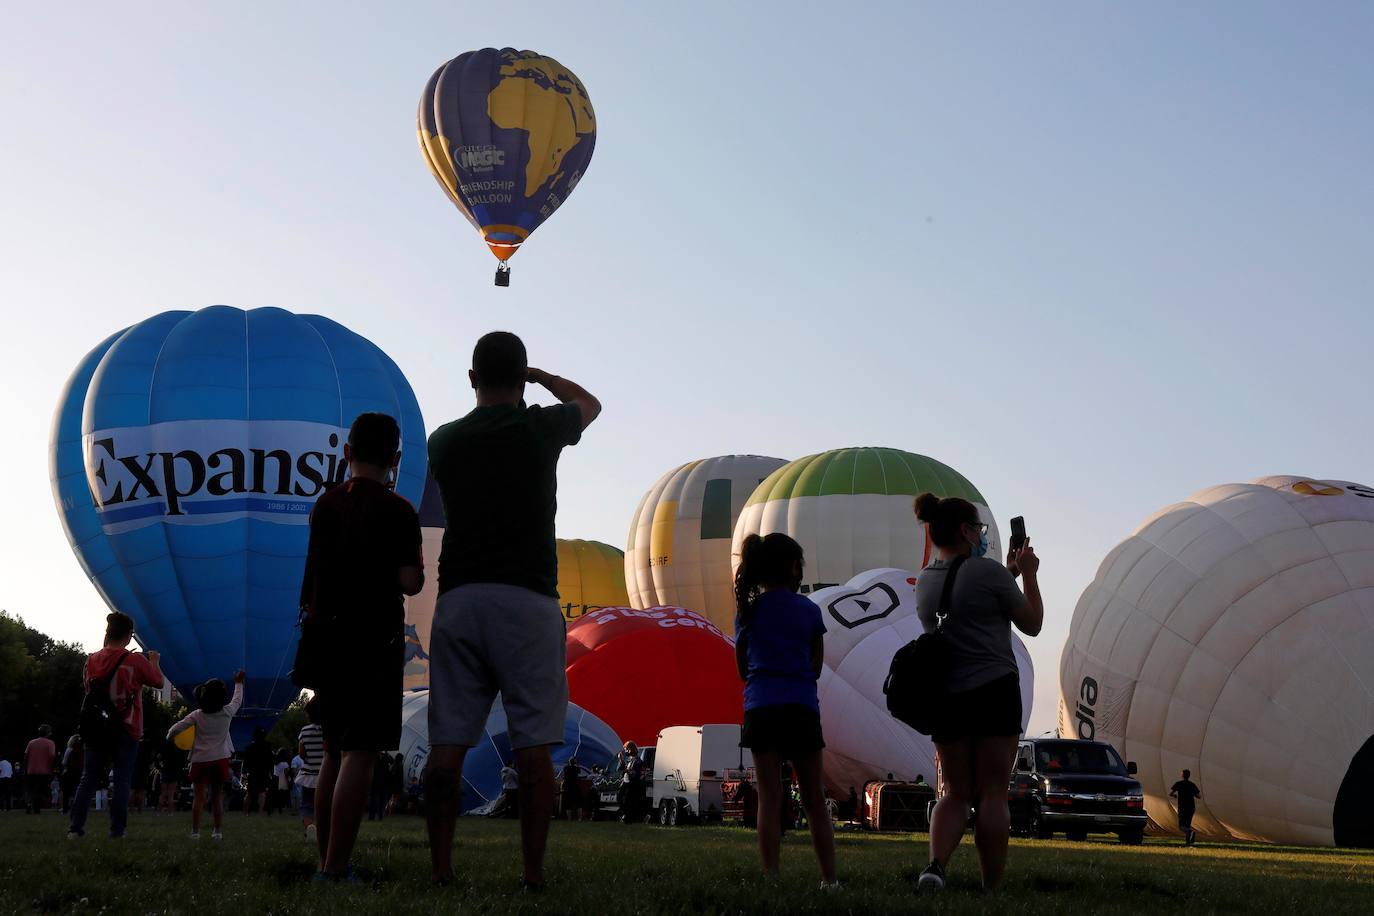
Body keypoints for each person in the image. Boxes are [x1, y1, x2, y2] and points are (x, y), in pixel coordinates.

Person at [424, 332, 600, 890]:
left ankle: (442, 869)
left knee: (448, 745)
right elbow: (590, 404)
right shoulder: (538, 428)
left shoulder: (443, 442)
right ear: (519, 376)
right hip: (528, 599)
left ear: (472, 379)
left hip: (460, 597)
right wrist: (543, 380)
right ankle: (531, 874)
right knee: (534, 746)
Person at [301, 411, 423, 881]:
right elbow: (411, 581)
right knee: (361, 751)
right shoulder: (399, 512)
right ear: (394, 459)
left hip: (325, 638)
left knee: (333, 750)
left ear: (347, 453)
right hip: (374, 639)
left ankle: (323, 861)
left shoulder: (325, 505)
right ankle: (335, 868)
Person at [912, 493, 1042, 892]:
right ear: (967, 531)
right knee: (992, 794)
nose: (982, 536)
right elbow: (1033, 623)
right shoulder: (987, 573)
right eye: (979, 529)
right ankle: (992, 885)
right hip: (993, 692)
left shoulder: (925, 582)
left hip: (946, 696)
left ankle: (935, 866)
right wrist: (1030, 574)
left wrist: (1008, 575)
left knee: (954, 793)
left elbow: (967, 599)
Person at [734, 532, 838, 888]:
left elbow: (741, 668)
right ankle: (829, 880)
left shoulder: (749, 613)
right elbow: (817, 666)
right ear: (795, 567)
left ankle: (771, 877)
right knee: (813, 800)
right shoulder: (809, 611)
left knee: (769, 798)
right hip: (801, 708)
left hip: (761, 708)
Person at [67, 612, 165, 838]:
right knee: (122, 779)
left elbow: (89, 692)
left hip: (95, 727)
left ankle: (75, 828)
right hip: (127, 728)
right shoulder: (134, 660)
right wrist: (154, 661)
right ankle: (117, 830)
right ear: (129, 636)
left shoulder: (90, 660)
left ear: (107, 633)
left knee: (88, 777)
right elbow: (158, 681)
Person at [167, 671, 245, 839]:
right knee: (217, 797)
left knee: (199, 798)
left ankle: (195, 832)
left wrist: (169, 738)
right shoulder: (227, 712)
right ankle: (217, 832)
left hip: (200, 760)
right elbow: (237, 700)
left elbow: (176, 728)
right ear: (222, 696)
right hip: (220, 759)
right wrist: (239, 683)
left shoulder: (197, 715)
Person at [295, 697, 325, 842]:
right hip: (325, 775)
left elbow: (301, 754)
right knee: (324, 805)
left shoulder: (304, 731)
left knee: (306, 805)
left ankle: (309, 827)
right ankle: (322, 830)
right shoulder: (330, 732)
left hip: (308, 775)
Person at [23, 726, 58, 814]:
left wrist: (27, 767)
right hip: (44, 771)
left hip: (31, 770)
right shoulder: (50, 743)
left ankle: (29, 803)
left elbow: (25, 756)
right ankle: (36, 809)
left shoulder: (31, 742)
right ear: (47, 733)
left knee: (32, 790)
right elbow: (52, 756)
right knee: (40, 790)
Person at [242, 729, 273, 815]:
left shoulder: (249, 748)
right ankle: (260, 811)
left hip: (252, 772)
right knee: (262, 793)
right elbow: (270, 760)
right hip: (263, 772)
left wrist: (245, 772)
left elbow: (246, 762)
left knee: (249, 793)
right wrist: (270, 771)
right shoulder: (267, 746)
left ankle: (245, 812)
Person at [615, 741, 645, 824]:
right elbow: (619, 769)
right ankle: (626, 815)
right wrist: (621, 759)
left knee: (628, 801)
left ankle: (628, 818)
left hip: (632, 784)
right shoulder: (629, 760)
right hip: (625, 782)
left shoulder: (638, 761)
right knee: (620, 798)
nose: (625, 751)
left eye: (626, 749)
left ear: (631, 749)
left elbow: (634, 774)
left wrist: (626, 770)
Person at [1170, 769, 1202, 845]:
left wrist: (1175, 796)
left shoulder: (1178, 784)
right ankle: (1188, 842)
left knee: (1182, 826)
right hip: (1191, 807)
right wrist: (1192, 794)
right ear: (1189, 775)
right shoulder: (1192, 784)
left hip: (1182, 807)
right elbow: (1199, 796)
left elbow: (1171, 793)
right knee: (1187, 825)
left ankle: (1190, 832)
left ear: (1182, 775)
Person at [158, 739, 187, 816]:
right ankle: (170, 813)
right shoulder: (178, 748)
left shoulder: (164, 747)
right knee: (171, 794)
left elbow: (159, 758)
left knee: (163, 793)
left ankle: (159, 812)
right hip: (174, 772)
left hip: (165, 770)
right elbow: (181, 761)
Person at [60, 736, 85, 814]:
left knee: (66, 792)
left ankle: (65, 809)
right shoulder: (83, 750)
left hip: (69, 772)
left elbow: (64, 762)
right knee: (77, 791)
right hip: (79, 772)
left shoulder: (69, 749)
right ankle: (77, 808)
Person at [367, 751, 391, 821]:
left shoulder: (378, 759)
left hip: (379, 784)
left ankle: (375, 816)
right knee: (377, 801)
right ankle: (376, 816)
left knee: (377, 801)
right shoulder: (385, 759)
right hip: (379, 784)